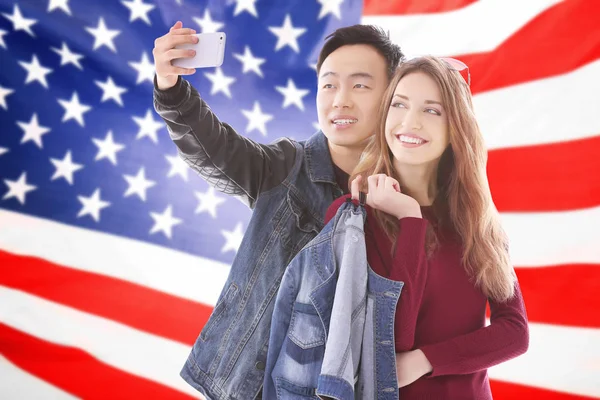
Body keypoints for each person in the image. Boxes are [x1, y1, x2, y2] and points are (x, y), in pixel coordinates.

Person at [152, 21, 404, 399]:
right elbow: (215, 149)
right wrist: (171, 89)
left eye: (361, 85)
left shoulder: (405, 199)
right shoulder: (286, 165)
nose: (340, 99)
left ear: (391, 97)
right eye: (329, 84)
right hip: (251, 386)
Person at [324, 55, 529, 399]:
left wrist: (425, 360)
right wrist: (410, 221)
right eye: (399, 105)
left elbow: (514, 333)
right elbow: (392, 337)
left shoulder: (477, 220)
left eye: (431, 110)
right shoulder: (353, 216)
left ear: (456, 129)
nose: (409, 122)